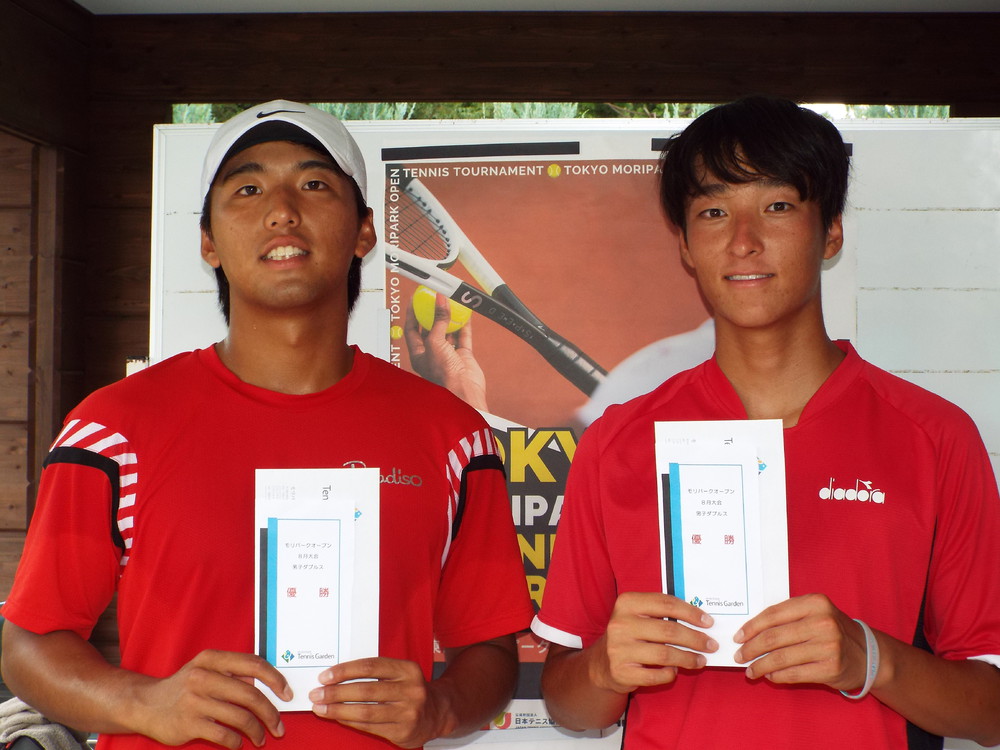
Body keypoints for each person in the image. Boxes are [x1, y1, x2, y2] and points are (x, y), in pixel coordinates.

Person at [1, 100, 534, 750]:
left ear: (364, 231)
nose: (282, 210)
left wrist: (442, 707)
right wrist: (144, 702)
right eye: (247, 189)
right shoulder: (112, 429)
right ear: (208, 242)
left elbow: (490, 650)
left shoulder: (452, 436)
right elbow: (27, 645)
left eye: (314, 184)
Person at [531, 96, 1000, 749]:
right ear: (686, 244)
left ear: (830, 231)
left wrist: (872, 659)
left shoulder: (934, 436)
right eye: (714, 212)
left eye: (777, 206)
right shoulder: (618, 441)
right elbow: (568, 704)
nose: (743, 240)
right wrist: (604, 669)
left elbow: (990, 709)